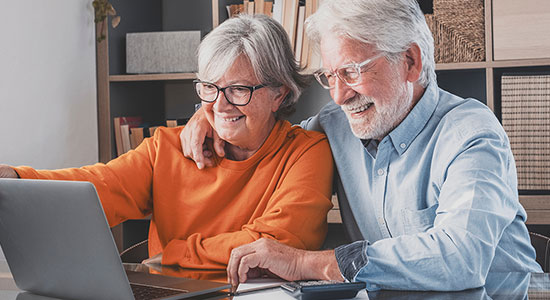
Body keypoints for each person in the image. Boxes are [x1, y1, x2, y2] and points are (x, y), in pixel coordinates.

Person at [180, 0, 542, 290]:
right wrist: (213, 114)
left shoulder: (472, 134)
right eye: (329, 76)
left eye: (352, 72)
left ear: (410, 61)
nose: (339, 95)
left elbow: (461, 258)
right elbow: (269, 138)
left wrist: (308, 263)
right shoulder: (332, 127)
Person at [0, 14, 334, 270]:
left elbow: (273, 244)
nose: (219, 105)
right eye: (209, 87)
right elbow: (101, 186)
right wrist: (17, 179)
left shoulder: (306, 152)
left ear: (280, 94)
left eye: (238, 89)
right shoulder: (168, 146)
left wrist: (171, 253)